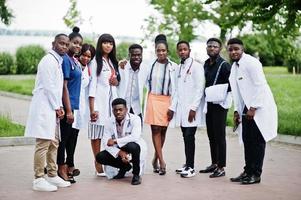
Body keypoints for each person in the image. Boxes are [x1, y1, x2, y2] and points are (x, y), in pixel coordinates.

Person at [227, 38, 278, 184]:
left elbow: (260, 86)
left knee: (257, 141)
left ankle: (256, 174)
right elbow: (237, 92)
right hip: (245, 107)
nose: (233, 52)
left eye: (236, 48)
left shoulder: (252, 63)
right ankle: (247, 171)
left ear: (242, 49)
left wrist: (253, 108)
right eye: (230, 49)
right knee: (247, 140)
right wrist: (237, 111)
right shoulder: (235, 67)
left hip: (259, 107)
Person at [24, 33, 71, 191]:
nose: (64, 46)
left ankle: (52, 175)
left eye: (66, 44)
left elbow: (56, 88)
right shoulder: (48, 61)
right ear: (53, 44)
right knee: (43, 143)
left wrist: (59, 106)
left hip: (53, 108)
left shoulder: (58, 61)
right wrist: (58, 106)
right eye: (61, 43)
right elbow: (49, 86)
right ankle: (38, 179)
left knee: (54, 142)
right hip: (46, 107)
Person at [171, 40, 205, 178]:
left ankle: (191, 168)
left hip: (192, 109)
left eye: (185, 49)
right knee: (185, 137)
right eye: (180, 50)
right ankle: (187, 164)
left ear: (189, 50)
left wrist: (194, 108)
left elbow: (199, 88)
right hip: (182, 109)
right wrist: (173, 107)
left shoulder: (197, 66)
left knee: (190, 137)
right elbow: (177, 90)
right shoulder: (179, 68)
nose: (182, 52)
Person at [144, 34, 177, 175]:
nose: (161, 53)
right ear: (155, 51)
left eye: (163, 50)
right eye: (158, 50)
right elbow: (144, 80)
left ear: (167, 51)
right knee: (155, 129)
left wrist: (172, 107)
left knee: (163, 131)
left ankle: (155, 159)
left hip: (167, 101)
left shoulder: (173, 67)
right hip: (153, 98)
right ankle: (162, 161)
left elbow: (177, 89)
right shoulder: (149, 65)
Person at [199, 38, 232, 178]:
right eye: (209, 46)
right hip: (209, 103)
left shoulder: (224, 65)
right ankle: (214, 163)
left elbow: (232, 84)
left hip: (220, 104)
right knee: (211, 135)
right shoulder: (206, 64)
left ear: (219, 49)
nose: (212, 48)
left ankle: (221, 167)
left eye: (215, 47)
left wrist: (219, 91)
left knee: (219, 136)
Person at [88, 33, 120, 176]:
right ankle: (97, 162)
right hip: (99, 104)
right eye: (105, 42)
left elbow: (115, 81)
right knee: (97, 135)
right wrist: (92, 108)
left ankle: (109, 162)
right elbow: (92, 85)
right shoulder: (95, 61)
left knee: (108, 134)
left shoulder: (113, 61)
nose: (108, 45)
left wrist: (116, 81)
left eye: (111, 43)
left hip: (111, 105)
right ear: (100, 44)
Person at [95, 98, 145, 185]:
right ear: (112, 110)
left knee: (133, 146)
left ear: (126, 109)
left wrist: (115, 141)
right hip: (118, 148)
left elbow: (135, 136)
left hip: (132, 145)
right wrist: (120, 152)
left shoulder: (135, 119)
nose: (118, 112)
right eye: (115, 110)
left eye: (120, 110)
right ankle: (125, 167)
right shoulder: (108, 122)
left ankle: (136, 175)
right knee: (100, 157)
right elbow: (106, 142)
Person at [57, 27, 83, 183]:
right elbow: (64, 86)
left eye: (80, 44)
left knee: (69, 140)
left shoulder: (75, 60)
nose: (78, 46)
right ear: (68, 43)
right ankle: (61, 168)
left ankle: (66, 166)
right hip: (67, 106)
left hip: (74, 106)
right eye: (75, 43)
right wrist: (68, 110)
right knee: (63, 140)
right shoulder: (66, 60)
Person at [72, 43, 96, 156]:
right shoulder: (73, 65)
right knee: (66, 136)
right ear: (79, 54)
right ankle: (62, 164)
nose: (86, 58)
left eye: (89, 56)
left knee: (74, 136)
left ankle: (70, 163)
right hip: (70, 104)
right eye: (84, 55)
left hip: (80, 106)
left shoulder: (88, 69)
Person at [117, 44, 148, 122]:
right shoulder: (122, 67)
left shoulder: (146, 69)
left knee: (137, 133)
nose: (137, 57)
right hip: (122, 108)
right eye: (134, 55)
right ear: (129, 55)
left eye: (139, 55)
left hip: (137, 109)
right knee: (120, 133)